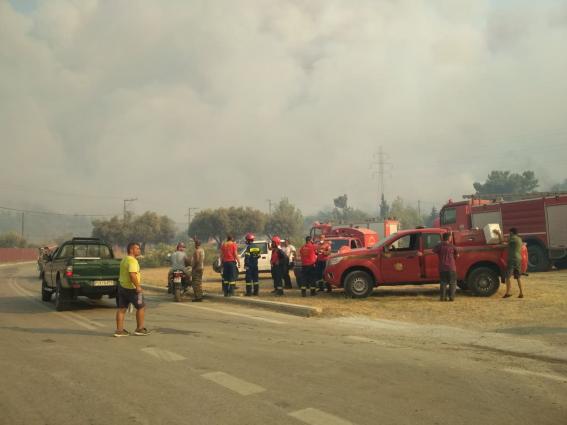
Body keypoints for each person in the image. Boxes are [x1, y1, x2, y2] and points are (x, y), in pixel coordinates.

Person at [115, 242, 149, 337]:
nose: (139, 250)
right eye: (137, 248)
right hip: (133, 289)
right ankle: (140, 329)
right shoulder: (132, 261)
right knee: (141, 307)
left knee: (122, 309)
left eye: (139, 248)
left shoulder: (124, 259)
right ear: (131, 250)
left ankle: (119, 331)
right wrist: (138, 286)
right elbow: (132, 274)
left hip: (122, 287)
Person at [494, 228, 525, 298]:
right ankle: (521, 293)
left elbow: (501, 241)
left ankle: (507, 293)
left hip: (512, 259)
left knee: (507, 277)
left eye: (509, 233)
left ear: (511, 233)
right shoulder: (519, 239)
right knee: (518, 277)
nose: (509, 234)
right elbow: (509, 245)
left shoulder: (512, 238)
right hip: (518, 259)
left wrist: (498, 234)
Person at [433, 232, 459, 301]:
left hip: (442, 268)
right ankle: (451, 297)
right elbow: (457, 255)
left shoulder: (439, 246)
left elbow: (433, 250)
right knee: (452, 283)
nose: (451, 238)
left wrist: (439, 243)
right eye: (450, 237)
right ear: (449, 238)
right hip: (451, 267)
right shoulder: (452, 246)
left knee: (443, 283)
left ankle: (443, 297)